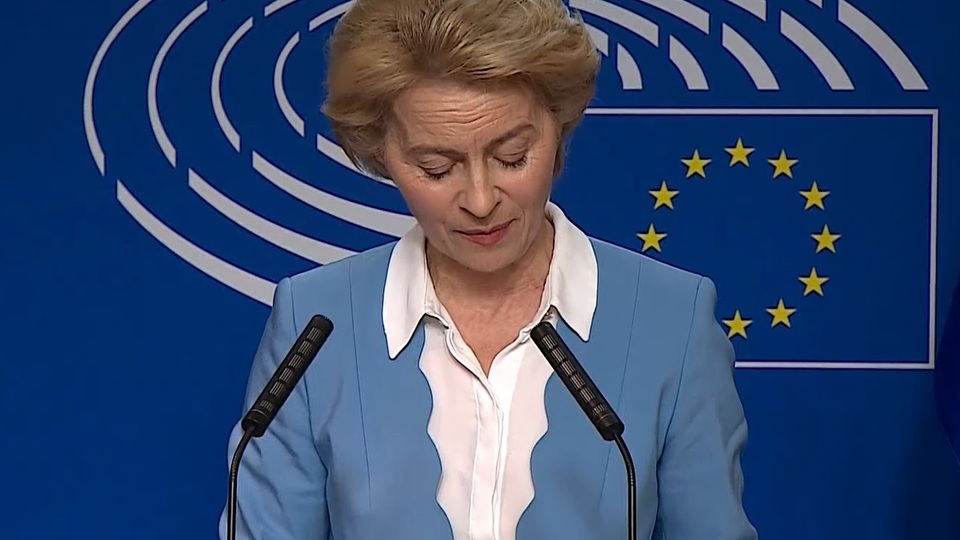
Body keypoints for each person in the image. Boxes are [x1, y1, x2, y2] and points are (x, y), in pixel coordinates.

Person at [218, 0, 758, 538]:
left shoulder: (672, 321)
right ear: (382, 154)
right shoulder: (314, 324)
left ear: (559, 127)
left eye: (512, 156)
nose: (480, 200)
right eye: (436, 168)